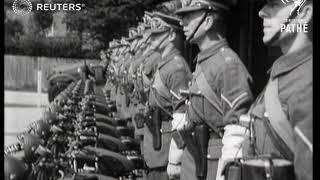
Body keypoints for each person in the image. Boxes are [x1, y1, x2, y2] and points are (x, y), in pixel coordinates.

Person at [171, 0, 253, 179]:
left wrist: (226, 173)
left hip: (212, 166)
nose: (182, 23)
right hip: (195, 159)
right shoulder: (206, 60)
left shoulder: (228, 65)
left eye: (190, 17)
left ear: (208, 22)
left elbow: (237, 131)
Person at [241, 0, 313, 180]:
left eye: (274, 4)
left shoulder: (307, 79)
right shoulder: (282, 72)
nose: (261, 13)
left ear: (303, 14)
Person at [142, 8, 192, 180]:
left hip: (165, 151)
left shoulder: (177, 68)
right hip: (156, 144)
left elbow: (182, 118)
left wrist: (175, 159)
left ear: (171, 35)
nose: (151, 37)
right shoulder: (165, 64)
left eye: (157, 34)